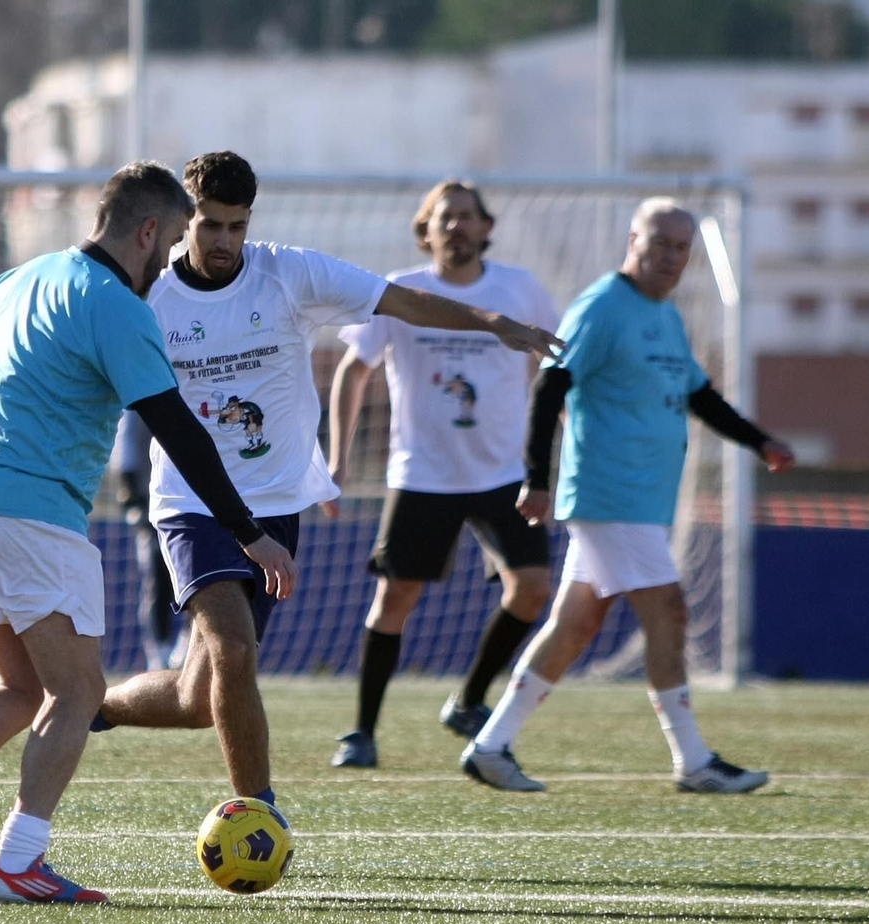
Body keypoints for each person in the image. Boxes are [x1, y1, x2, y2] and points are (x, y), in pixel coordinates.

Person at [93, 151, 562, 815]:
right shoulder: (151, 297)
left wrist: (493, 323)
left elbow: (402, 301)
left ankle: (95, 704)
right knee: (233, 651)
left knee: (199, 699)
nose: (224, 240)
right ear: (183, 223)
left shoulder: (290, 273)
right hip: (192, 504)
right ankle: (259, 816)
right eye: (210, 225)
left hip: (277, 504)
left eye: (236, 226)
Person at [0, 161, 295, 904]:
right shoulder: (115, 304)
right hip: (33, 514)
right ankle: (19, 861)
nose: (169, 261)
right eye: (170, 242)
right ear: (148, 231)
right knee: (79, 691)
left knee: (23, 687)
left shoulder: (22, 278)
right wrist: (249, 532)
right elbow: (177, 429)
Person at [460, 197, 795, 794]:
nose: (671, 257)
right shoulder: (601, 307)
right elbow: (550, 387)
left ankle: (490, 746)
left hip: (641, 500)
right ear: (632, 242)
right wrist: (537, 477)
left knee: (576, 624)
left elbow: (699, 395)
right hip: (609, 494)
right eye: (659, 243)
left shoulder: (666, 316)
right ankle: (694, 760)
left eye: (681, 248)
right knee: (668, 611)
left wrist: (760, 441)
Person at [327, 180, 560, 769]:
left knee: (533, 588)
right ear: (425, 231)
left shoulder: (520, 288)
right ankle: (361, 733)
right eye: (444, 217)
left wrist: (558, 453)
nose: (456, 225)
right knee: (395, 597)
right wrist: (338, 458)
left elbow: (558, 369)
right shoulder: (401, 290)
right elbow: (354, 369)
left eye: (467, 215)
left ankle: (469, 700)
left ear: (487, 226)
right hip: (422, 474)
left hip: (504, 472)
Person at [113, 409, 178, 671]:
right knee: (157, 575)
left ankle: (186, 647)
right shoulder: (136, 408)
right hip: (152, 502)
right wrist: (131, 492)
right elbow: (126, 446)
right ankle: (159, 654)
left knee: (198, 578)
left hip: (190, 499)